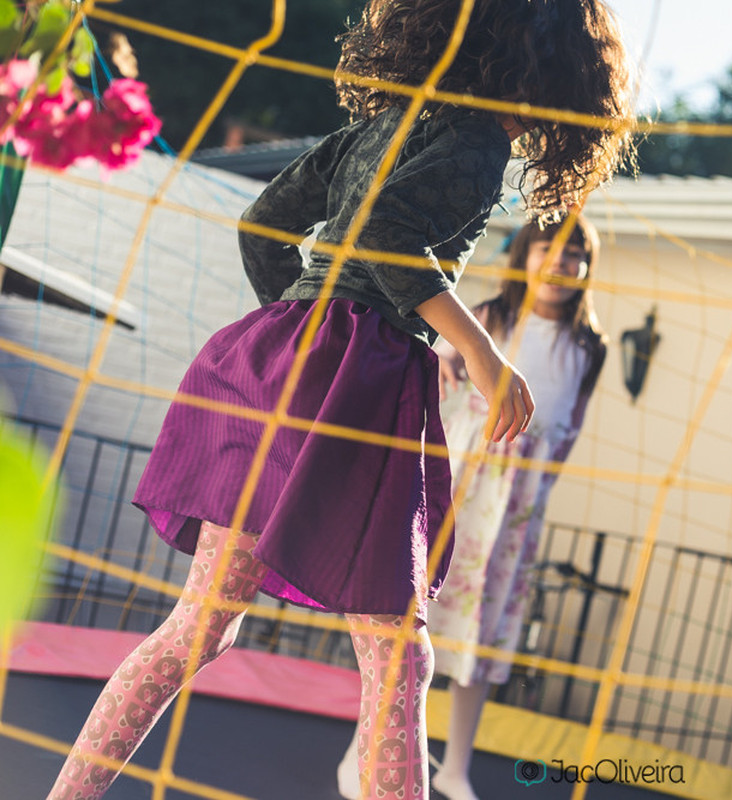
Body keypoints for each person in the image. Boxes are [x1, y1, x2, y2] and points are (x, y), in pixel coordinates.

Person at [45, 0, 633, 797]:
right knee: (400, 657)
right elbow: (389, 236)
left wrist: (302, 321)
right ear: (556, 67)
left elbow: (262, 225)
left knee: (199, 629)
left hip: (274, 361)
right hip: (358, 380)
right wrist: (483, 352)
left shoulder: (377, 127)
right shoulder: (474, 142)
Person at [337, 215, 608, 800]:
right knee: (409, 618)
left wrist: (533, 496)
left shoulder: (590, 347)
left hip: (512, 510)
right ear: (524, 258)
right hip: (456, 486)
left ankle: (455, 766)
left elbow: (569, 432)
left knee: (481, 632)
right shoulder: (488, 319)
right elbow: (433, 384)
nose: (560, 265)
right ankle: (364, 745)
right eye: (548, 251)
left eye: (574, 256)